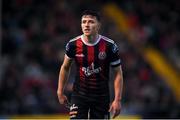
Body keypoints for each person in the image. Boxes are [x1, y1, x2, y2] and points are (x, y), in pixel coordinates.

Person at [57, 10, 123, 119]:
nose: (86, 25)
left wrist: (117, 100)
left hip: (101, 97)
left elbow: (118, 74)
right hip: (79, 95)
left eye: (91, 22)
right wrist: (60, 91)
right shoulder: (73, 44)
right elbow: (65, 67)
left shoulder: (109, 46)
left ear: (98, 25)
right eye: (84, 22)